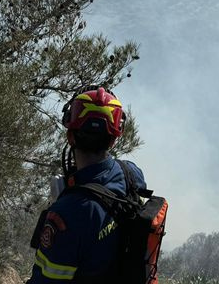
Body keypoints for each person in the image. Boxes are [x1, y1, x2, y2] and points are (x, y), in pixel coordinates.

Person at [27, 87, 146, 283]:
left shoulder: (65, 214)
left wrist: (67, 203)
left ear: (70, 137)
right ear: (114, 141)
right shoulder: (131, 173)